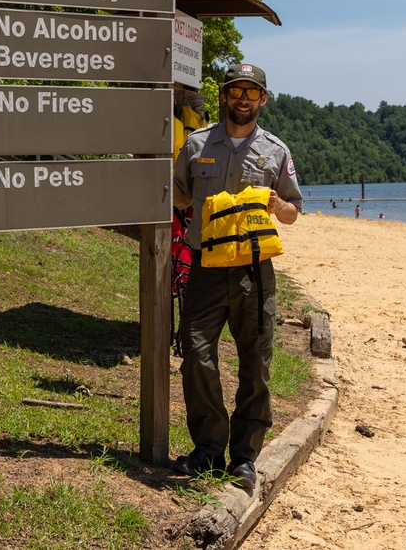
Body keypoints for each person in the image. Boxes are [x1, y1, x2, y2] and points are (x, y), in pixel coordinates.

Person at [171, 63, 302, 491]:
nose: (242, 99)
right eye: (235, 91)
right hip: (205, 267)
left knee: (255, 364)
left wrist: (274, 203)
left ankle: (244, 457)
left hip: (253, 272)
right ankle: (209, 448)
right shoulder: (195, 144)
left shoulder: (276, 151)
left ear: (263, 99)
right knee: (195, 353)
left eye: (251, 92)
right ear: (225, 96)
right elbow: (178, 193)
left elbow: (294, 213)